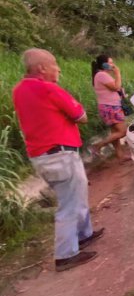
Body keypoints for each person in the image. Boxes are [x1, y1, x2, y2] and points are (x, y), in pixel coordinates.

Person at [12, 49, 104, 271]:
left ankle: (84, 234)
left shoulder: (19, 90)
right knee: (69, 205)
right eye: (54, 64)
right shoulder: (47, 88)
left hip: (44, 155)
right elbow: (81, 116)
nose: (59, 68)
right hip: (60, 154)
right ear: (42, 68)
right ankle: (65, 255)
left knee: (77, 197)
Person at [90, 54, 129, 161]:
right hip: (111, 107)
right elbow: (115, 87)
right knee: (123, 131)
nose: (113, 65)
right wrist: (118, 74)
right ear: (104, 64)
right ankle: (98, 145)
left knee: (114, 133)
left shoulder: (100, 75)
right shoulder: (102, 75)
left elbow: (114, 88)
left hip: (108, 106)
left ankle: (120, 156)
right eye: (110, 62)